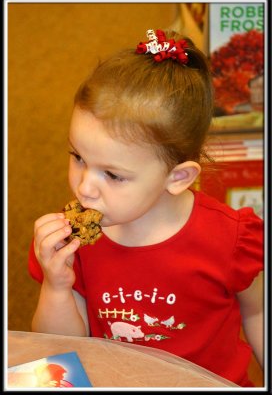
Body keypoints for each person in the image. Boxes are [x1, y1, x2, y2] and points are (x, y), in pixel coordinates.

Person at [28, 29, 264, 387]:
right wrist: (56, 287)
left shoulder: (231, 238)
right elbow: (58, 353)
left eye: (113, 175)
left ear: (177, 177)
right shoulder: (73, 243)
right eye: (77, 156)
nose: (84, 187)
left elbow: (259, 312)